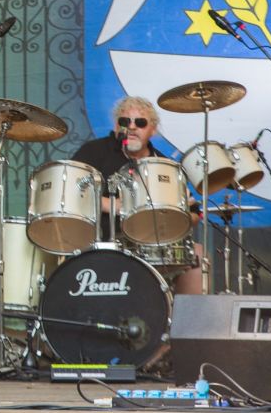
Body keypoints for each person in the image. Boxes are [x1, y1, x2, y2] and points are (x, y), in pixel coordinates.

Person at [71, 96, 203, 295]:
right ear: (116, 126)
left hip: (154, 245)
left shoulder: (164, 165)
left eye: (140, 123)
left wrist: (179, 218)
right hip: (103, 241)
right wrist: (113, 205)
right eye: (125, 121)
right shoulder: (95, 151)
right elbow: (72, 190)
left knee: (197, 252)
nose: (132, 127)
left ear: (153, 129)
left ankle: (186, 315)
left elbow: (195, 213)